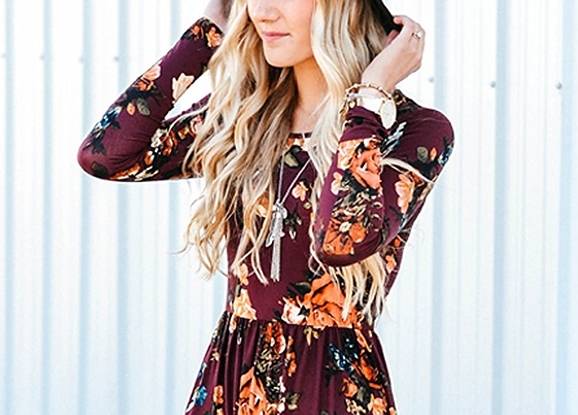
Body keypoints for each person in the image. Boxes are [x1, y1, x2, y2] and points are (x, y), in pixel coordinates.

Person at [78, 0, 454, 413]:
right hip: (233, 380)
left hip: (329, 390)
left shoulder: (410, 130)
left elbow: (341, 240)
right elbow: (105, 156)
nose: (260, 11)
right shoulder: (244, 118)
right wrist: (205, 35)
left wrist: (369, 99)